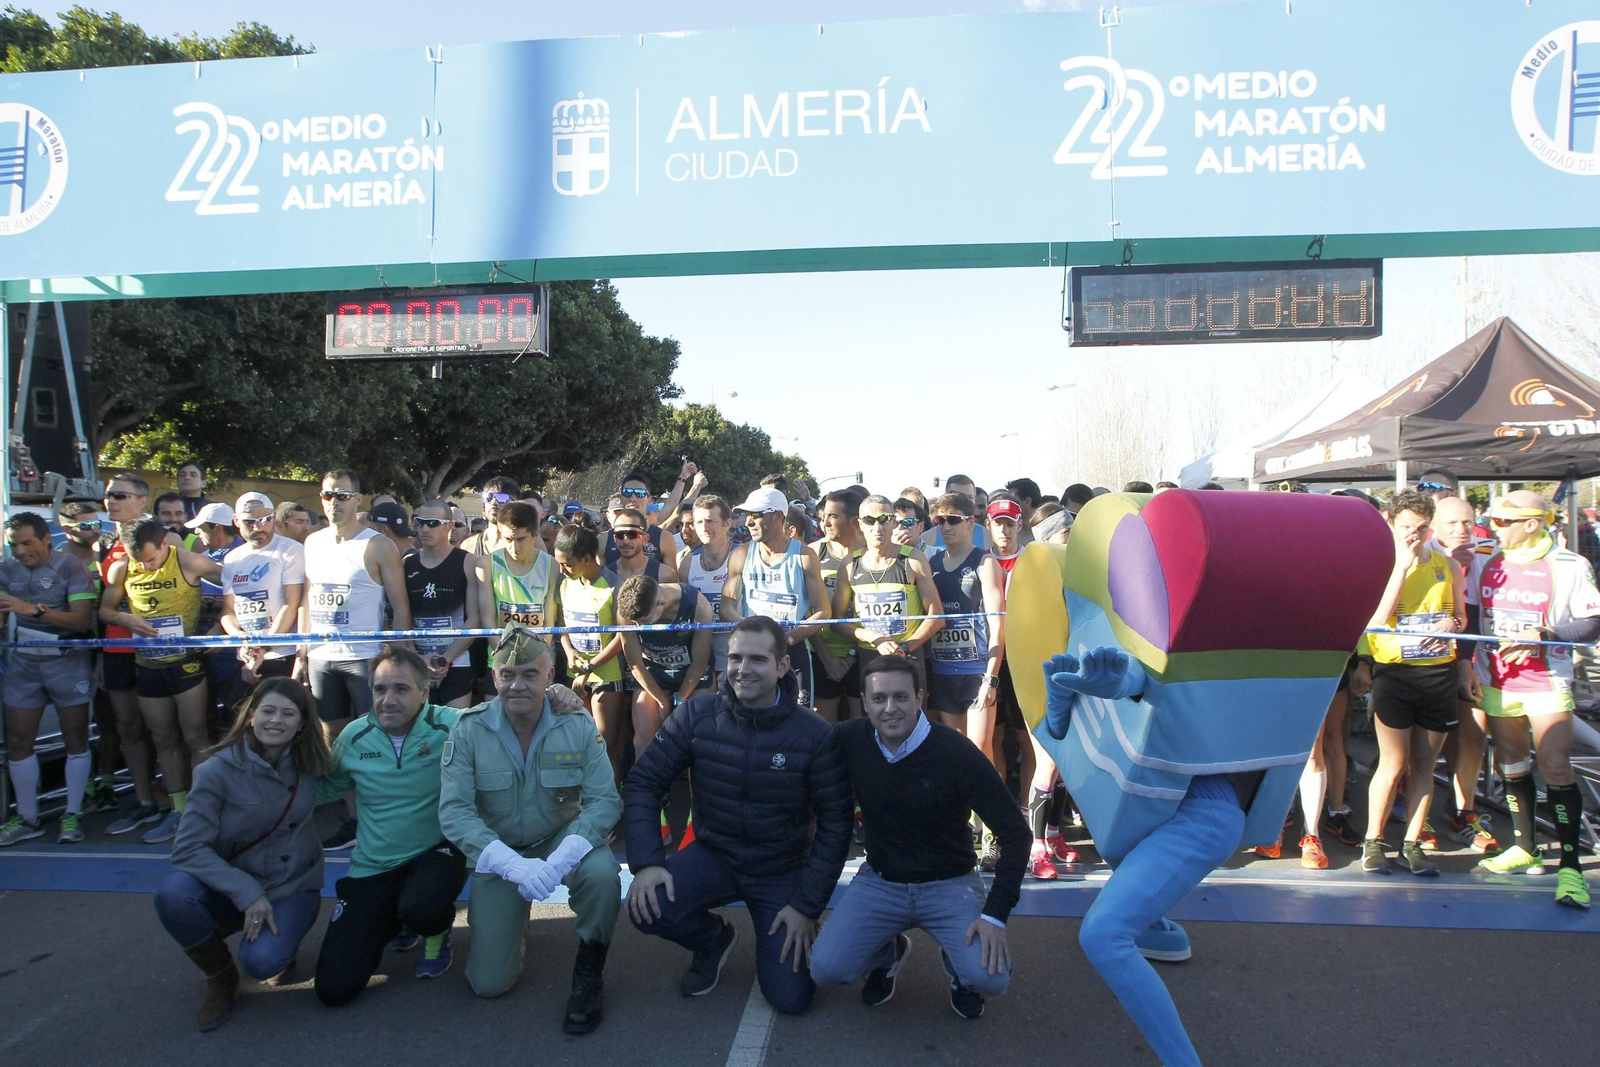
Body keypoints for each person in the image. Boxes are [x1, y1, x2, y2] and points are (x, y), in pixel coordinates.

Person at [625, 616, 852, 1015]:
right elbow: (644, 782)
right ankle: (713, 939)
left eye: (757, 660)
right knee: (647, 904)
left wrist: (805, 907)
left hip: (780, 869)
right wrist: (646, 862)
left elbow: (837, 825)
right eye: (735, 658)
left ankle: (818, 933)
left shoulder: (815, 735)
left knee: (790, 999)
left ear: (782, 666)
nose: (743, 670)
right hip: (715, 855)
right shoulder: (697, 716)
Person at [811, 656, 1030, 1017]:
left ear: (920, 697)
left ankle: (961, 970)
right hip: (882, 882)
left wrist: (995, 915)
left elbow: (1016, 834)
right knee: (826, 969)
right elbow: (799, 736)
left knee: (990, 979)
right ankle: (888, 952)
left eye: (901, 697)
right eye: (879, 699)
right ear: (864, 703)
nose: (890, 708)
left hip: (950, 884)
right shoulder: (850, 739)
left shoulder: (957, 753)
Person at [438, 628, 621, 1029]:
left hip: (560, 838)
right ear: (493, 676)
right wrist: (511, 865)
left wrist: (559, 863)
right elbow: (455, 813)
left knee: (603, 874)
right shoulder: (469, 730)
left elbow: (605, 800)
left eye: (529, 675)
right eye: (507, 675)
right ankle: (510, 921)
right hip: (500, 850)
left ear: (549, 674)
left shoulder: (577, 725)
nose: (517, 685)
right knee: (488, 984)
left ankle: (590, 966)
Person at [154, 679, 333, 1030]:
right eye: (267, 711)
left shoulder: (313, 763)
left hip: (290, 884)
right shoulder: (214, 771)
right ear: (251, 716)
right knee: (173, 896)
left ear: (301, 723)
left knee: (264, 963)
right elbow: (187, 848)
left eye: (288, 713)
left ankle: (282, 946)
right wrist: (246, 891)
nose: (275, 720)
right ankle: (220, 978)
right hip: (232, 884)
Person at [313, 647, 470, 1004]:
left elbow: (507, 714)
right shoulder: (353, 737)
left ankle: (433, 929)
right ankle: (393, 919)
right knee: (333, 989)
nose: (388, 699)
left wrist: (556, 695)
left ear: (424, 692)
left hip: (436, 853)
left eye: (400, 689)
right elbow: (324, 789)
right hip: (374, 866)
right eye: (380, 689)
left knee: (423, 907)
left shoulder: (451, 724)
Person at [1468, 491, 1600, 908]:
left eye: (1504, 522)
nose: (1493, 527)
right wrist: (1465, 663)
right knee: (1510, 760)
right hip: (1497, 679)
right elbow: (1472, 616)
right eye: (1491, 520)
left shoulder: (1569, 565)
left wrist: (1545, 636)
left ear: (1533, 523)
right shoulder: (1485, 560)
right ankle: (1525, 847)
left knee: (1555, 765)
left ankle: (1571, 867)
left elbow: (1594, 622)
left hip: (1546, 680)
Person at [1354, 489, 1469, 876]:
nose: (1413, 535)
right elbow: (1379, 618)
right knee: (1394, 762)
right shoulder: (1382, 563)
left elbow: (1461, 618)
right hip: (1395, 673)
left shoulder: (1447, 565)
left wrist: (1451, 623)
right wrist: (1402, 567)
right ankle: (1373, 841)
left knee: (1425, 763)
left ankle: (1413, 843)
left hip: (1437, 673)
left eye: (1421, 528)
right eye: (1406, 527)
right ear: (1391, 522)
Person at [301, 469, 412, 852]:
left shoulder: (378, 546)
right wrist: (303, 650)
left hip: (364, 658)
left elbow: (400, 607)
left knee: (378, 737)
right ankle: (354, 817)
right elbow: (308, 598)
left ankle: (387, 814)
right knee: (334, 739)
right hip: (322, 656)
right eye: (329, 495)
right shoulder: (312, 542)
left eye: (343, 496)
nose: (335, 502)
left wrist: (396, 659)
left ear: (358, 500)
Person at [99, 518, 223, 845]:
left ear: (165, 545)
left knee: (195, 736)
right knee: (162, 737)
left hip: (186, 664)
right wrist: (124, 617)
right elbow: (105, 611)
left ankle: (201, 809)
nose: (144, 565)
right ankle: (177, 809)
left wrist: (220, 623)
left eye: (151, 560)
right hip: (148, 664)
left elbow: (235, 582)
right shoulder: (123, 568)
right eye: (138, 559)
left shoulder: (185, 559)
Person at [0, 513, 99, 846]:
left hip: (67, 661)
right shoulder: (6, 569)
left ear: (46, 538)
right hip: (24, 663)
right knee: (18, 741)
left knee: (75, 738)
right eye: (14, 545)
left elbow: (83, 622)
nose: (21, 551)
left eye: (28, 543)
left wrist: (33, 610)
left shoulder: (70, 566)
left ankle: (72, 814)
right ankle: (27, 818)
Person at [98, 475, 182, 835]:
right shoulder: (104, 543)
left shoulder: (169, 539)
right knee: (128, 727)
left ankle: (181, 802)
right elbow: (103, 607)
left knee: (170, 731)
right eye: (107, 495)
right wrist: (122, 617)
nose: (110, 501)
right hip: (119, 647)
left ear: (142, 500)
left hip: (164, 649)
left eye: (119, 495)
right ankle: (145, 801)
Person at [1430, 494, 1499, 853]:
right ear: (1434, 526)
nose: (1461, 530)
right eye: (1452, 523)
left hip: (1471, 658)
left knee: (1474, 734)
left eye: (1467, 523)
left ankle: (1463, 811)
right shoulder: (1422, 552)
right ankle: (1417, 812)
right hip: (1426, 660)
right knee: (1425, 744)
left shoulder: (1488, 552)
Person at [723, 486, 833, 710]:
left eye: (756, 515)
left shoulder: (804, 555)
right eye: (747, 515)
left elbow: (824, 612)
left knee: (799, 720)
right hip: (752, 651)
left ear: (778, 517)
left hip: (793, 650)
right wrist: (755, 632)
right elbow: (726, 607)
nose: (749, 522)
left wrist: (788, 638)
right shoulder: (741, 554)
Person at [923, 493, 1007, 781]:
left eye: (953, 520)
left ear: (971, 522)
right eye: (940, 520)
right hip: (944, 671)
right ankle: (965, 820)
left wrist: (991, 678)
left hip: (977, 671)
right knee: (956, 751)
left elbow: (998, 626)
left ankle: (991, 821)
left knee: (979, 751)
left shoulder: (984, 564)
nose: (946, 527)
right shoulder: (930, 563)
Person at [831, 494, 944, 681]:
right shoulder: (850, 564)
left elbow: (937, 616)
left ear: (893, 523)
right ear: (859, 525)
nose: (878, 528)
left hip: (909, 655)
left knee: (912, 709)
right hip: (869, 655)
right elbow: (837, 621)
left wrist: (906, 646)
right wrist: (872, 637)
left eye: (884, 520)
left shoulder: (913, 559)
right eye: (869, 521)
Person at [552, 523, 628, 783]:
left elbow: (622, 636)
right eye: (559, 563)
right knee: (578, 741)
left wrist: (590, 666)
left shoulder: (613, 586)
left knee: (603, 743)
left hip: (607, 674)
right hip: (575, 672)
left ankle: (612, 799)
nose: (562, 570)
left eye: (568, 564)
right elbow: (561, 624)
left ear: (587, 559)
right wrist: (569, 650)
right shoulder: (565, 584)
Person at [616, 574, 714, 761]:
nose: (637, 626)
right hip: (654, 673)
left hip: (694, 673)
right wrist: (662, 701)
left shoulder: (699, 606)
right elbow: (635, 664)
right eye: (634, 623)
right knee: (644, 740)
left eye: (643, 621)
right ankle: (643, 789)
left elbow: (699, 663)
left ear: (661, 603)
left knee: (700, 742)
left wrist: (679, 700)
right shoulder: (627, 610)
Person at [219, 493, 306, 698]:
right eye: (250, 522)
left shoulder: (290, 550)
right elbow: (228, 611)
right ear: (236, 521)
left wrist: (264, 647)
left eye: (265, 520)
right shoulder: (232, 558)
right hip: (246, 656)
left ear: (274, 517)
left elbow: (291, 604)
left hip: (281, 655)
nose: (258, 528)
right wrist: (240, 638)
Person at [402, 499, 480, 708]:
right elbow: (403, 615)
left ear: (449, 525)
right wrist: (416, 657)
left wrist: (445, 659)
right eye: (419, 522)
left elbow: (475, 618)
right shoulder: (407, 564)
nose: (425, 528)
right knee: (418, 730)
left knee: (454, 729)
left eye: (433, 523)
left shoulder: (468, 562)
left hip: (457, 660)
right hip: (418, 660)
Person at [810, 490, 866, 724]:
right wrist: (826, 657)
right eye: (823, 516)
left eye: (833, 516)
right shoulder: (812, 552)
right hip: (822, 653)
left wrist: (853, 654)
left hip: (863, 653)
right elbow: (806, 611)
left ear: (853, 521)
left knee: (862, 726)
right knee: (824, 729)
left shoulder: (872, 552)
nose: (825, 522)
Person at [678, 493, 735, 682]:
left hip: (738, 658)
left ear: (727, 523)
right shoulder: (687, 562)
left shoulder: (744, 556)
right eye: (699, 522)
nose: (704, 528)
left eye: (710, 521)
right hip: (704, 662)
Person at [610, 507, 679, 584]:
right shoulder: (605, 576)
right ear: (614, 538)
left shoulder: (665, 575)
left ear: (645, 539)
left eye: (633, 534)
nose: (626, 541)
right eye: (620, 535)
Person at [463, 476, 522, 556]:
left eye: (501, 498)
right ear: (483, 507)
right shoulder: (468, 545)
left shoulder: (528, 543)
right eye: (489, 497)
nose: (494, 502)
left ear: (516, 505)